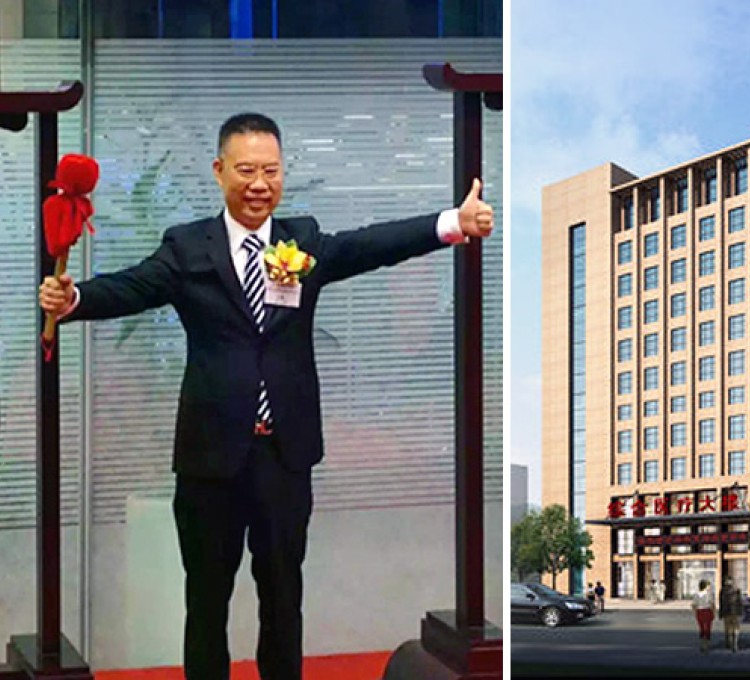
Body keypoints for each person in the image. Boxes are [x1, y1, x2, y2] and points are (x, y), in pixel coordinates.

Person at [38, 113, 494, 680]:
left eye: (271, 171)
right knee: (206, 601)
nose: (259, 183)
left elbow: (371, 245)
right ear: (220, 171)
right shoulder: (187, 247)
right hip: (210, 460)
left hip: (284, 457)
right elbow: (134, 286)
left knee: (284, 596)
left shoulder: (300, 242)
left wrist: (454, 221)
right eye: (247, 170)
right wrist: (75, 298)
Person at [718, 576, 743, 652]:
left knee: (727, 628)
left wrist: (720, 613)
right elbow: (740, 602)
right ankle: (735, 644)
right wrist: (740, 612)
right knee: (736, 628)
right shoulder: (737, 590)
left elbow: (721, 602)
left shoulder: (722, 590)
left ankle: (728, 643)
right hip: (735, 612)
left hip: (727, 612)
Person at [691, 578, 716, 653]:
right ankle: (707, 645)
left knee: (701, 628)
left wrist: (695, 612)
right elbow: (712, 604)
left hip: (699, 611)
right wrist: (714, 613)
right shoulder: (709, 594)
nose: (709, 587)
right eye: (708, 586)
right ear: (705, 586)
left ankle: (702, 645)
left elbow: (693, 605)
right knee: (707, 628)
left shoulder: (696, 595)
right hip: (707, 611)